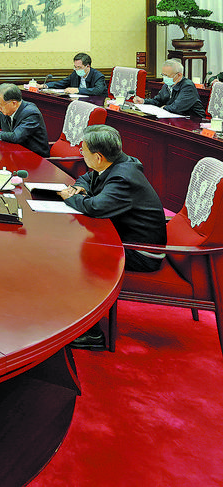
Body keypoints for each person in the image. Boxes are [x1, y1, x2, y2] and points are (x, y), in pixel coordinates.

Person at [58, 125, 167, 349]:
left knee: (80, 254)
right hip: (124, 237)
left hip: (142, 252)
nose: (81, 152)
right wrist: (79, 188)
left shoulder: (123, 178)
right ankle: (74, 313)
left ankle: (92, 333)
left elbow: (95, 207)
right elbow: (87, 178)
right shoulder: (116, 163)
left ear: (98, 157)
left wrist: (70, 197)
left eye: (83, 150)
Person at [139, 59, 205, 118]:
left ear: (179, 75)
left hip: (194, 120)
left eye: (167, 76)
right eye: (163, 75)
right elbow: (158, 101)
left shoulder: (188, 86)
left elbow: (177, 107)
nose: (164, 78)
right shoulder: (167, 85)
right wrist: (143, 101)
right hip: (175, 118)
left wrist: (164, 108)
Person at [42, 53, 107, 96]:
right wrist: (45, 86)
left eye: (79, 67)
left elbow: (98, 90)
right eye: (75, 67)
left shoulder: (98, 76)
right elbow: (62, 83)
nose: (77, 69)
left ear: (88, 66)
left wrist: (78, 90)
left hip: (95, 103)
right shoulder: (75, 74)